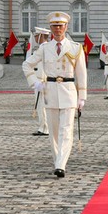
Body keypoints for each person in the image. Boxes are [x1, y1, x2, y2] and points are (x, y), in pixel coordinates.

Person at [22, 12, 87, 178]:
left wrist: (82, 97)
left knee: (66, 130)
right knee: (54, 132)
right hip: (50, 92)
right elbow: (27, 65)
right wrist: (35, 82)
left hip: (68, 91)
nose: (58, 29)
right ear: (50, 29)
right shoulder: (44, 48)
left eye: (60, 26)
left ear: (66, 27)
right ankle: (57, 159)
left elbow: (81, 74)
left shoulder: (75, 47)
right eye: (54, 26)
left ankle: (60, 164)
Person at [31, 27, 51, 136]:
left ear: (40, 36)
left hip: (41, 81)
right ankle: (43, 127)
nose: (34, 37)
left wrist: (42, 80)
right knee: (41, 105)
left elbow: (45, 66)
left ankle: (44, 128)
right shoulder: (44, 48)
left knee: (41, 105)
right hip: (41, 80)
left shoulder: (43, 48)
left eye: (36, 35)